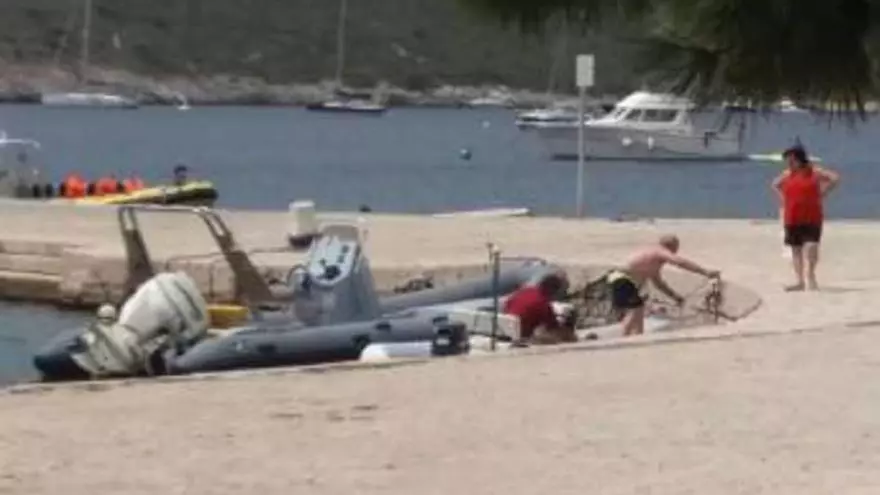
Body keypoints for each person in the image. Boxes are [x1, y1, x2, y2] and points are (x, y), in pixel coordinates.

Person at [606, 234, 720, 336]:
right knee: (635, 309)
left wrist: (675, 297)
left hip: (618, 278)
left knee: (638, 308)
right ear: (671, 246)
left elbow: (659, 284)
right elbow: (680, 262)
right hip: (622, 279)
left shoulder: (653, 259)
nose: (676, 251)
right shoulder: (660, 251)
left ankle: (638, 336)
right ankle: (624, 337)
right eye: (676, 248)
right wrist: (705, 272)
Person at [772, 145, 840, 291]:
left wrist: (823, 193)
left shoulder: (814, 172)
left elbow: (834, 178)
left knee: (811, 246)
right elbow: (775, 184)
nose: (789, 163)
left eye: (791, 160)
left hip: (812, 217)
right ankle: (800, 281)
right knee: (796, 250)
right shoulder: (787, 174)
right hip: (792, 217)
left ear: (799, 159)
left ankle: (810, 274)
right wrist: (784, 199)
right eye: (788, 161)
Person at [503, 272, 575, 345]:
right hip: (522, 334)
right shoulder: (543, 303)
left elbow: (508, 304)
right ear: (553, 291)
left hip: (507, 328)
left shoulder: (526, 290)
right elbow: (552, 326)